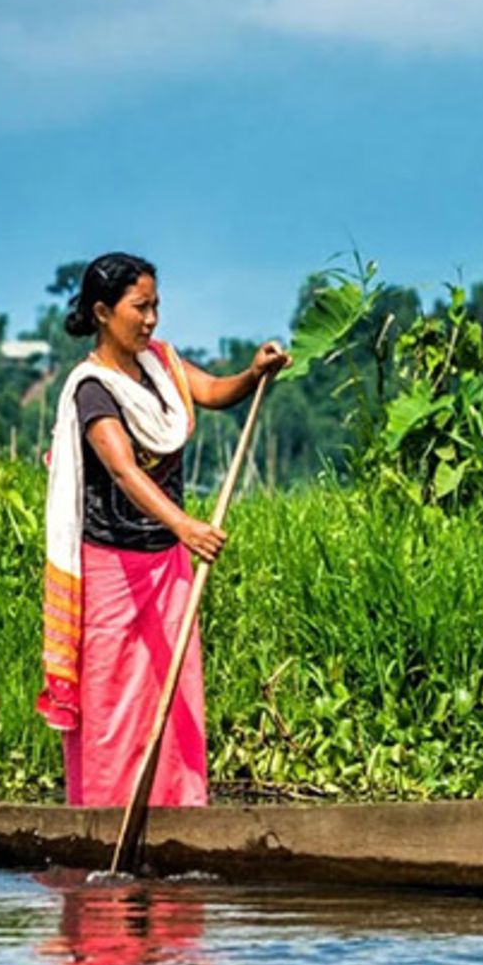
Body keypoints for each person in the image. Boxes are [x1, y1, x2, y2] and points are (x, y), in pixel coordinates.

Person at [38, 252, 289, 807]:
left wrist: (254, 373)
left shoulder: (162, 364)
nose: (151, 319)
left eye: (156, 306)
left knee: (173, 693)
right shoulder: (92, 389)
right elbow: (124, 470)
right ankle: (105, 812)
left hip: (166, 567)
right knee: (113, 702)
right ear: (104, 312)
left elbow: (215, 392)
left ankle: (177, 809)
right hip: (111, 570)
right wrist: (186, 525)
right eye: (140, 307)